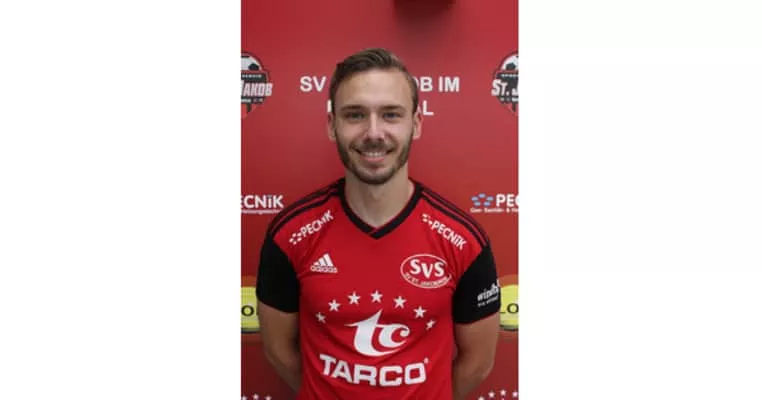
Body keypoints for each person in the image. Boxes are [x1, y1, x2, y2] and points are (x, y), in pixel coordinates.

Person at [256, 48, 500, 400]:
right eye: (355, 115)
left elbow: (477, 363)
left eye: (391, 115)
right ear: (332, 125)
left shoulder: (464, 241)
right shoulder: (290, 234)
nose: (373, 132)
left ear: (416, 124)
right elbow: (279, 352)